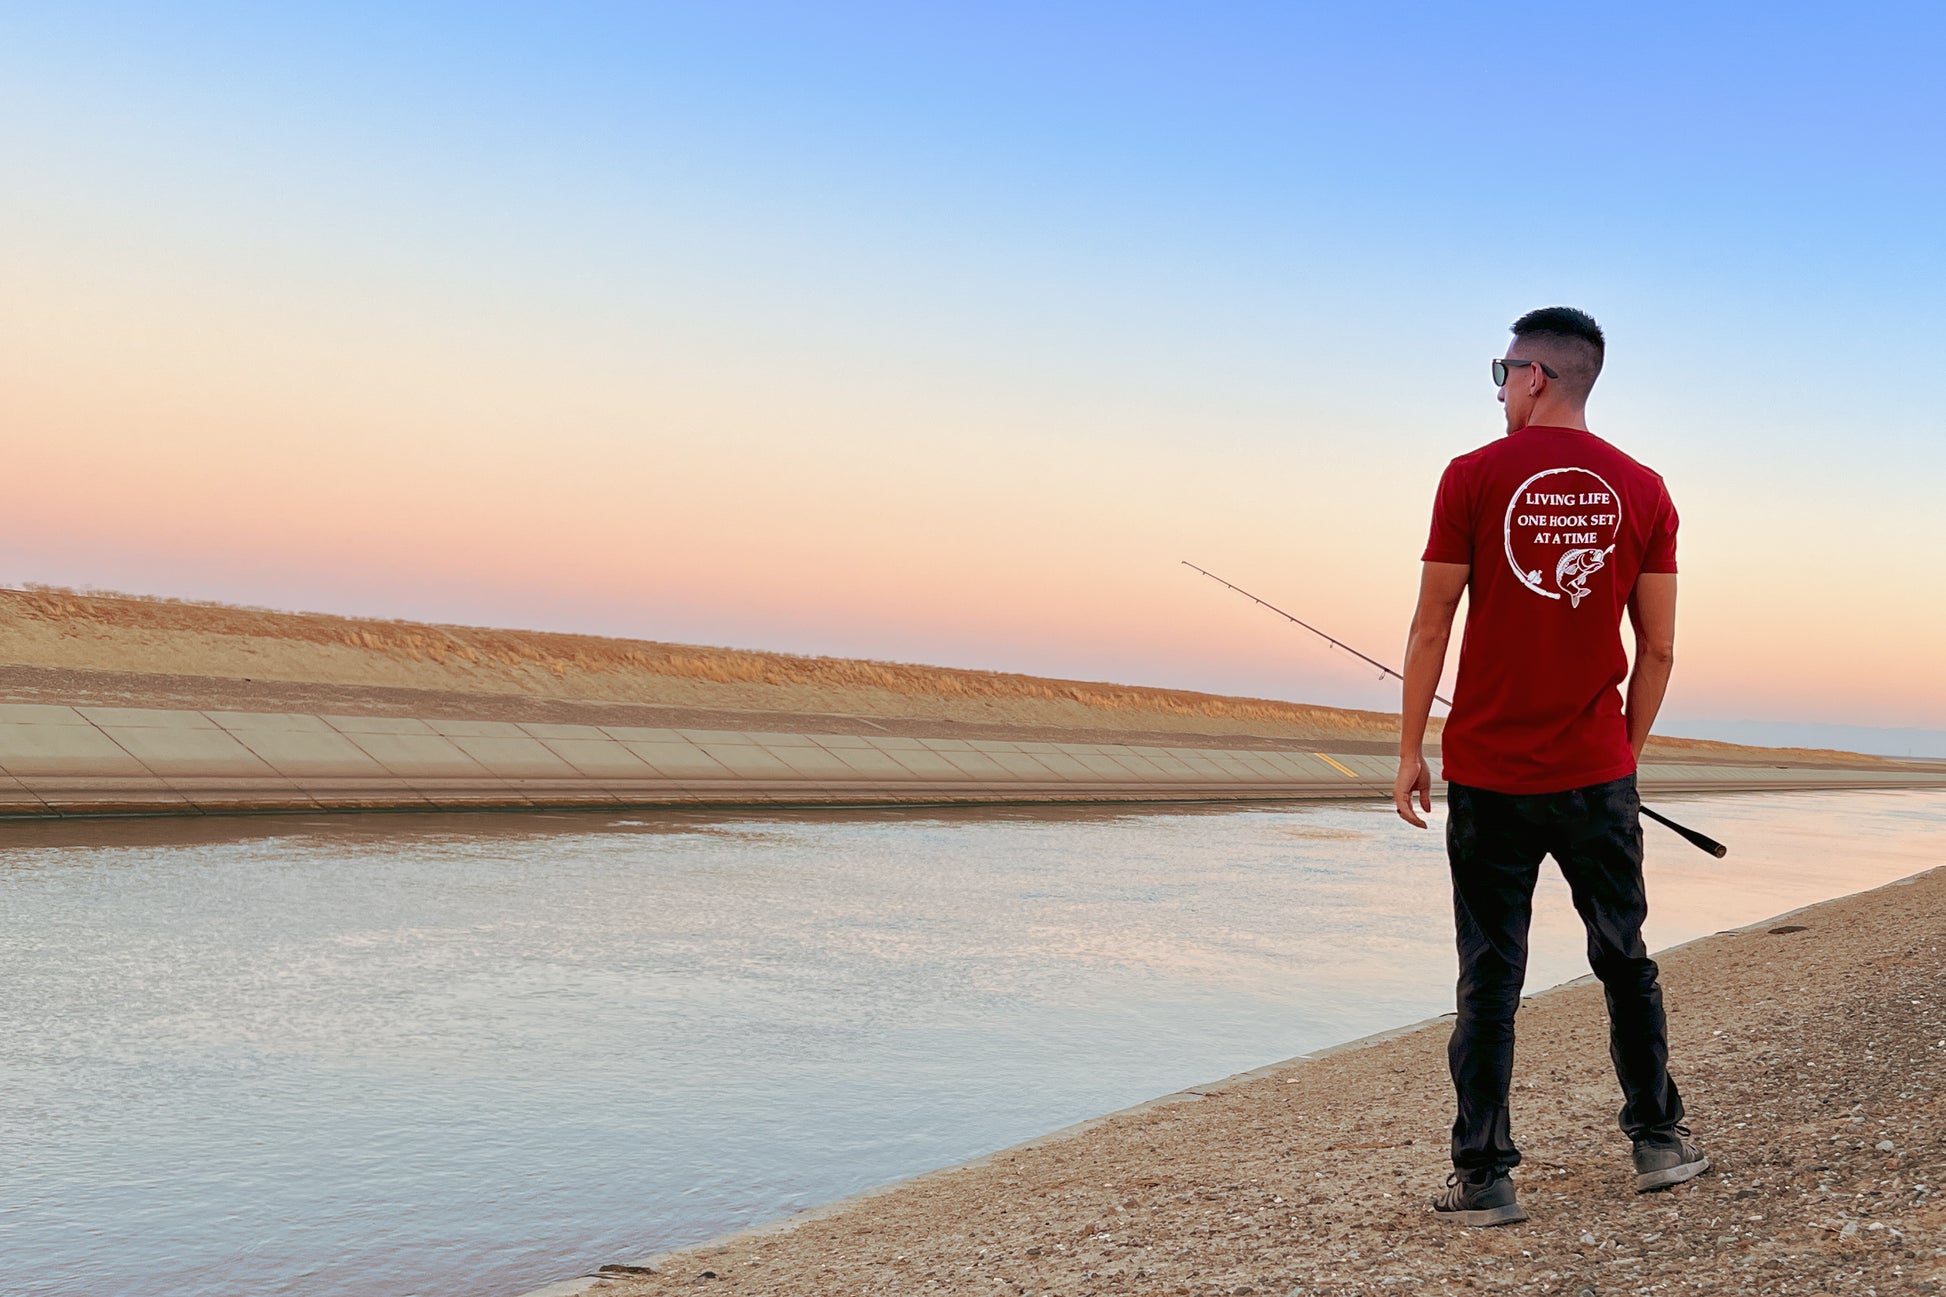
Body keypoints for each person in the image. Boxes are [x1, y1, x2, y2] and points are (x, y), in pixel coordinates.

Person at [1392, 307, 1709, 1227]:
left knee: (1489, 976)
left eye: (1502, 371)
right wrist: (1621, 757)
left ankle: (1485, 1177)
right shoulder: (1646, 489)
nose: (1498, 389)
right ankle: (1657, 1138)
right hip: (1594, 778)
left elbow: (1429, 624)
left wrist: (1411, 750)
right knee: (1624, 958)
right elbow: (1658, 653)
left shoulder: (1470, 477)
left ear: (1534, 376)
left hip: (1489, 778)